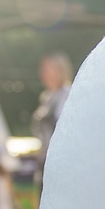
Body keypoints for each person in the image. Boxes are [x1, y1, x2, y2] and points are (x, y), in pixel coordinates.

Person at [31, 52, 73, 195]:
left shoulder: (66, 95)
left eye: (48, 69)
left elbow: (65, 129)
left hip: (60, 162)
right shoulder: (46, 97)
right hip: (45, 160)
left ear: (60, 71)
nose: (43, 73)